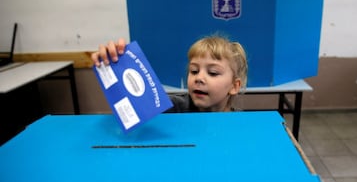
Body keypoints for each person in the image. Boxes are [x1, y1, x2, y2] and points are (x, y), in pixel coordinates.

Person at [91, 35, 248, 112]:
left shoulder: (243, 124)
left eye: (212, 73)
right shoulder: (172, 108)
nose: (199, 78)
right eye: (194, 71)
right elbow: (135, 107)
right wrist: (114, 64)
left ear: (234, 86)